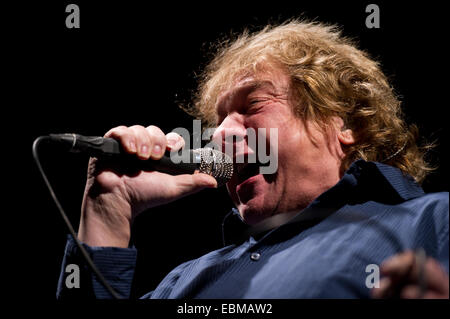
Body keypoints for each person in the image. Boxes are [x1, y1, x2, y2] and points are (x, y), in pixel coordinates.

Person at [56, 20, 448, 299]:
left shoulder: (435, 222)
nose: (221, 135)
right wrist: (108, 215)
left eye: (253, 104)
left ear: (343, 124)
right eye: (219, 121)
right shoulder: (184, 281)